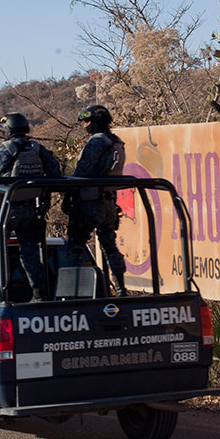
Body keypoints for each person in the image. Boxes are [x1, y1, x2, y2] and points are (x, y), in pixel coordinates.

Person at [0, 113, 63, 302]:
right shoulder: (38, 149)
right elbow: (55, 174)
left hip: (3, 210)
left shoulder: (2, 150)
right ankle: (39, 293)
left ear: (8, 130)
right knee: (29, 250)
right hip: (29, 209)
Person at [64, 104, 128, 296]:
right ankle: (120, 289)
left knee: (75, 246)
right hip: (109, 203)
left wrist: (68, 195)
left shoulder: (97, 142)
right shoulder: (116, 142)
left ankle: (72, 294)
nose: (85, 126)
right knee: (110, 245)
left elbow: (82, 172)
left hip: (90, 202)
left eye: (87, 122)